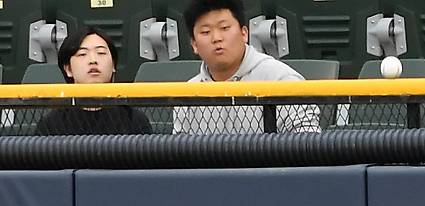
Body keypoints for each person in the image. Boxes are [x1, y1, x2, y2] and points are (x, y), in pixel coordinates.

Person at [173, 0, 320, 134]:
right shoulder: (189, 92)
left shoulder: (280, 79)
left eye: (224, 28)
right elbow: (178, 153)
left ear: (244, 34)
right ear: (194, 44)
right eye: (206, 32)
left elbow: (308, 143)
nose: (216, 38)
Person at [35, 27, 152, 136]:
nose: (93, 60)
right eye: (82, 54)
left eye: (101, 53)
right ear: (68, 69)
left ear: (113, 66)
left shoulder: (134, 120)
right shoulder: (51, 124)